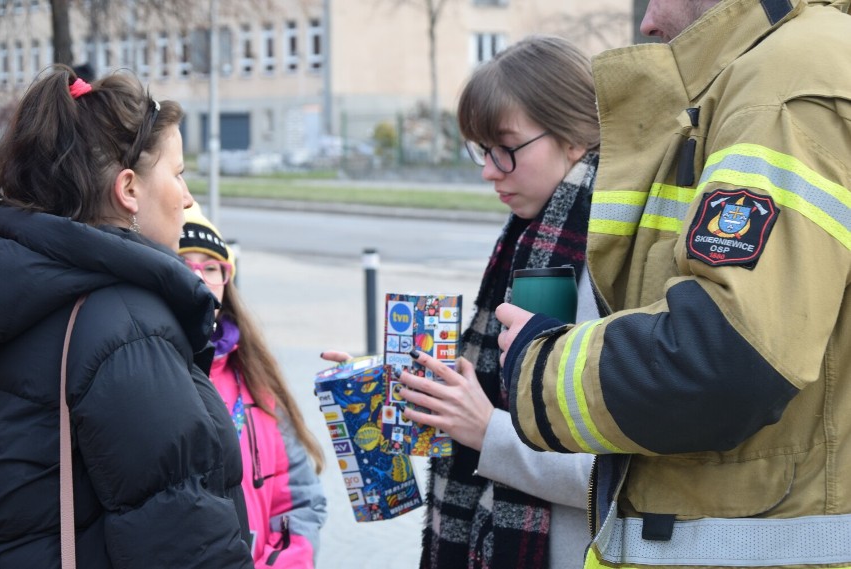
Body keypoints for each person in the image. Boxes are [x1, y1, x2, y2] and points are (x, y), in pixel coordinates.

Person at [491, 2, 851, 569]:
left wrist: (540, 368)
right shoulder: (788, 69)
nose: (647, 22)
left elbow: (724, 361)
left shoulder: (781, 85)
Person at [327, 35, 599, 569]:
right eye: (481, 150)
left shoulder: (614, 255)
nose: (488, 171)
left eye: (506, 148)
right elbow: (491, 394)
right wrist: (403, 387)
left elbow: (628, 478)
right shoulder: (533, 238)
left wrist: (488, 432)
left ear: (573, 136)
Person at [0, 66, 253, 567]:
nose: (187, 197)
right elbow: (184, 542)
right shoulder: (128, 330)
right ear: (129, 189)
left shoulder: (30, 287)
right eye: (178, 173)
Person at [178, 204, 328, 568]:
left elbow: (301, 501)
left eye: (211, 267)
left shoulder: (256, 378)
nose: (199, 278)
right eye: (184, 264)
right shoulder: (151, 373)